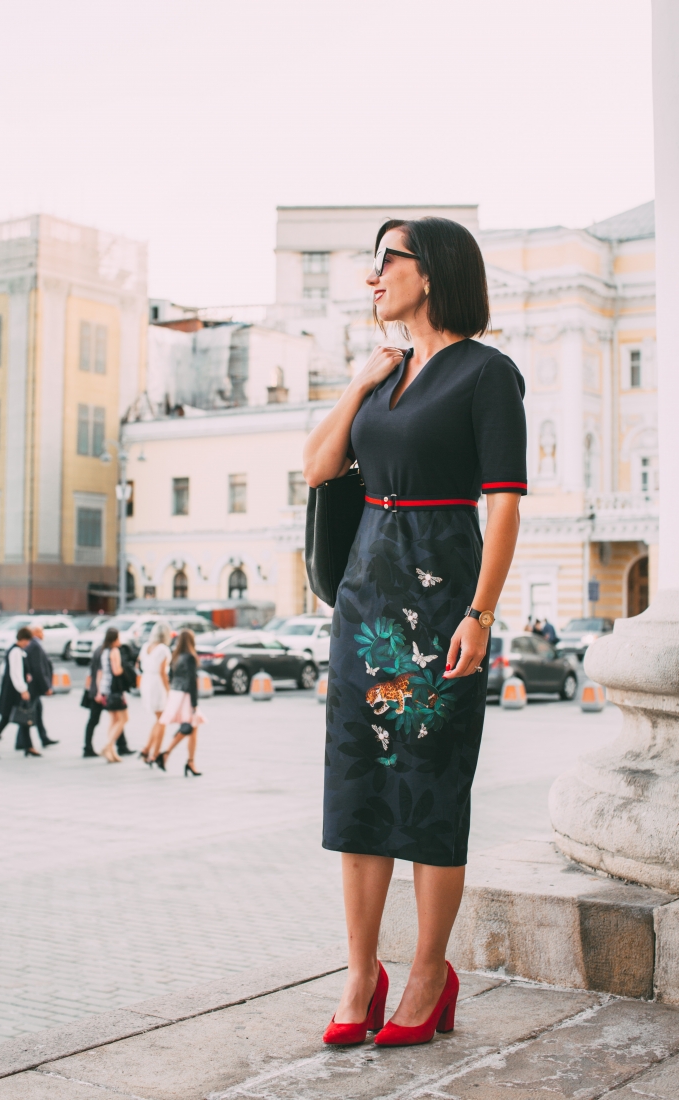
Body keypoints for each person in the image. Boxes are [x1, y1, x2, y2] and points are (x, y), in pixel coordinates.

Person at [302, 216, 526, 1046]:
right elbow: (318, 468)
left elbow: (501, 503)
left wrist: (480, 612)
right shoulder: (385, 372)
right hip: (363, 597)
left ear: (429, 271)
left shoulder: (486, 373)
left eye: (384, 262)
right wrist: (359, 384)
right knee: (357, 790)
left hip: (440, 600)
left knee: (429, 787)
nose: (372, 277)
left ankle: (429, 973)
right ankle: (361, 974)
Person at [151, 630, 202, 776]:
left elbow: (171, 676)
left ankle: (190, 762)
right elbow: (192, 682)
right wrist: (194, 703)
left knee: (192, 729)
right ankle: (167, 754)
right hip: (186, 695)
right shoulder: (191, 657)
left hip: (176, 694)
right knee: (190, 727)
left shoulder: (176, 656)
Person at [0, 628, 40, 757]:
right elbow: (15, 672)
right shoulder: (16, 652)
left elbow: (6, 670)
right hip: (13, 691)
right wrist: (23, 689)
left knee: (22, 717)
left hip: (12, 689)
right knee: (8, 718)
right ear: (24, 639)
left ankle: (28, 746)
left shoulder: (16, 650)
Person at [137, 621, 171, 763]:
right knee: (163, 720)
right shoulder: (163, 649)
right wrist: (169, 691)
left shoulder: (146, 647)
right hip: (157, 683)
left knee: (158, 719)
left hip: (146, 681)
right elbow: (163, 672)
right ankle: (155, 754)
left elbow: (138, 665)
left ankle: (146, 749)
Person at [95, 628, 130, 763]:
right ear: (115, 638)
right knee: (124, 718)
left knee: (114, 720)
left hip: (105, 689)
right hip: (115, 689)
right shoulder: (114, 651)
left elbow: (100, 672)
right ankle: (107, 746)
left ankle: (111, 751)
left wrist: (99, 691)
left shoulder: (103, 651)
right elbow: (116, 671)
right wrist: (124, 669)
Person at [25, 625, 59, 748]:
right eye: (41, 632)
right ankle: (24, 741)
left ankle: (43, 738)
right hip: (34, 687)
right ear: (36, 633)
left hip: (33, 686)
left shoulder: (33, 644)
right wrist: (46, 687)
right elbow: (38, 668)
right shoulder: (35, 645)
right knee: (28, 713)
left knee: (37, 711)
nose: (43, 634)